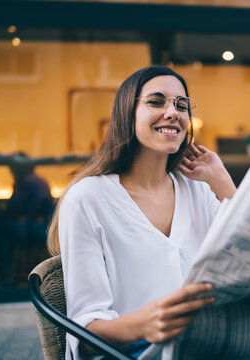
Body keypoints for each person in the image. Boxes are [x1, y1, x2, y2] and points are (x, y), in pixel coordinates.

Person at [47, 66, 236, 359]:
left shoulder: (198, 189)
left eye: (181, 105)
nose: (173, 112)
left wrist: (223, 182)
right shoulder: (88, 199)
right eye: (157, 101)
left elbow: (247, 255)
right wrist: (144, 324)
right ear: (127, 113)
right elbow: (84, 333)